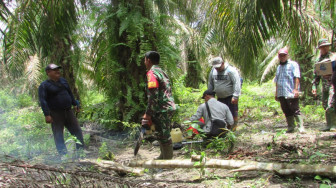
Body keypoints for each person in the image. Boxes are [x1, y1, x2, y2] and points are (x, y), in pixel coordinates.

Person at [38, 64, 84, 157]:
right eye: (54, 70)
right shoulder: (44, 85)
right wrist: (47, 115)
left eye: (58, 69)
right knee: (58, 135)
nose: (57, 71)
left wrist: (75, 104)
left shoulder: (63, 81)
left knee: (77, 131)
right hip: (55, 113)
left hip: (68, 111)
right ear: (48, 72)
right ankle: (63, 156)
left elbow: (69, 93)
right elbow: (43, 100)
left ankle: (81, 153)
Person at [142, 51, 176, 160]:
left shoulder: (151, 73)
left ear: (148, 60)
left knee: (164, 135)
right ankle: (163, 156)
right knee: (161, 133)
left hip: (163, 108)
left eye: (144, 60)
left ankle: (168, 161)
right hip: (167, 107)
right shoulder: (162, 71)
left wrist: (148, 114)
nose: (144, 62)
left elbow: (153, 95)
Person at [274, 48, 305, 133]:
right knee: (286, 109)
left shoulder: (293, 64)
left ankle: (300, 127)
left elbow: (296, 77)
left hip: (290, 91)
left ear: (287, 55)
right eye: (281, 55)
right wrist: (276, 93)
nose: (282, 57)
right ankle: (291, 127)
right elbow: (277, 81)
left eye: (284, 55)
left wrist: (295, 89)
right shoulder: (279, 67)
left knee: (294, 108)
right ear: (278, 56)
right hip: (281, 92)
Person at [208, 57, 241, 131]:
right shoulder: (213, 71)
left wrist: (235, 96)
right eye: (216, 67)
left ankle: (232, 129)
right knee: (221, 114)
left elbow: (236, 83)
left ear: (222, 63)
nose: (218, 69)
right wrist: (210, 95)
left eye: (219, 67)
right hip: (219, 98)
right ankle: (223, 130)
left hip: (230, 97)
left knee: (232, 114)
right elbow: (210, 83)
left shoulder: (230, 71)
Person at [312, 39, 336, 131]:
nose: (325, 48)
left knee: (331, 104)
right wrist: (314, 86)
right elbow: (316, 75)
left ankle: (334, 125)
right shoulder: (318, 60)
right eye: (323, 47)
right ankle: (328, 124)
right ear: (320, 48)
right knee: (325, 104)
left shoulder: (333, 57)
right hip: (324, 85)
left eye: (326, 46)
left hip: (333, 84)